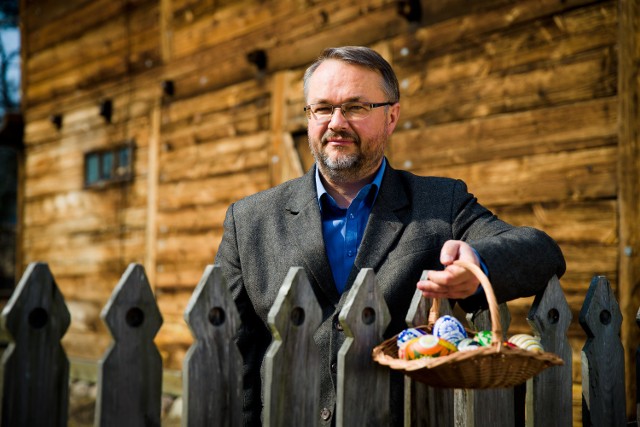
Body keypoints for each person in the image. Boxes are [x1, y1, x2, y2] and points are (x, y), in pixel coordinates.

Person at [215, 46, 566, 426]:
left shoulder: (441, 204)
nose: (336, 122)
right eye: (322, 108)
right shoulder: (248, 220)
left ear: (391, 116)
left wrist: (476, 263)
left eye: (356, 107)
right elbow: (236, 357)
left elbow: (542, 251)